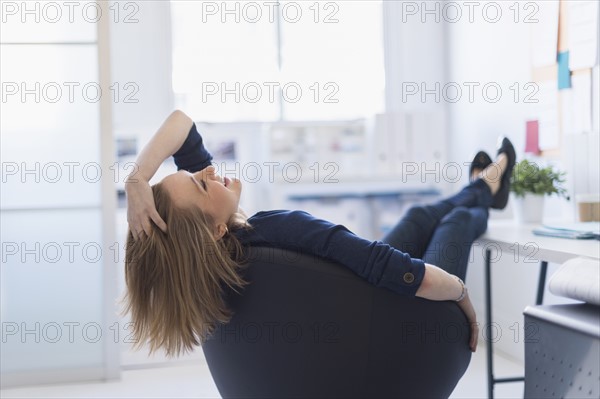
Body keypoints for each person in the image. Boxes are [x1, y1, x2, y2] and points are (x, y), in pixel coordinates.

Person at [122, 110, 516, 358]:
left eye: (193, 171)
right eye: (201, 183)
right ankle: (483, 190)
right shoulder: (278, 227)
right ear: (215, 230)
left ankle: (484, 186)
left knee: (417, 215)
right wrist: (461, 295)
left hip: (366, 310)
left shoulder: (221, 255)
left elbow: (182, 126)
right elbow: (384, 265)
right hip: (406, 324)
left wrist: (138, 177)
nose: (208, 170)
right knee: (457, 221)